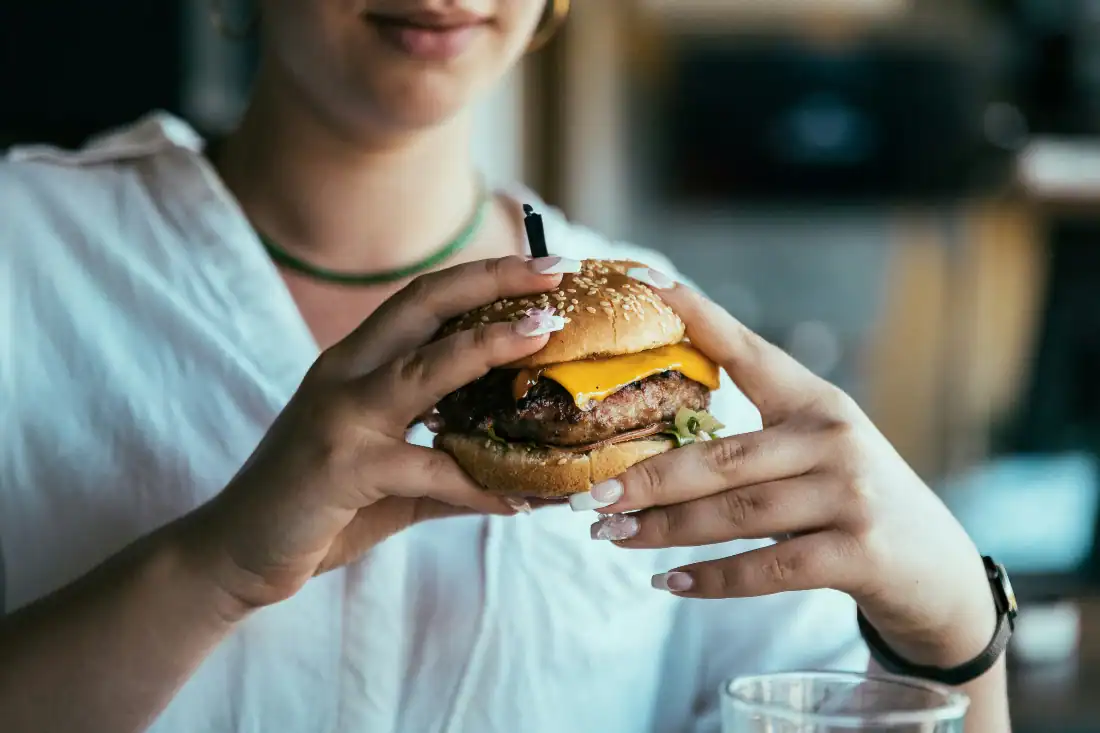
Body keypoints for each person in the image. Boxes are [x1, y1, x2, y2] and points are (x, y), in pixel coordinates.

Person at [0, 1, 1009, 731]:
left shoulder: (668, 327)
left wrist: (956, 624)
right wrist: (212, 566)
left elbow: (828, 709)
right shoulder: (26, 253)